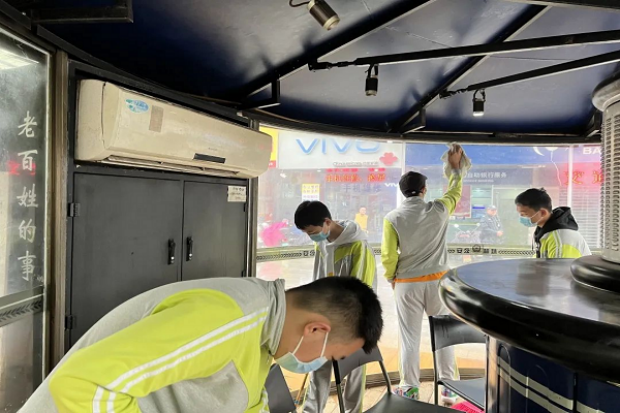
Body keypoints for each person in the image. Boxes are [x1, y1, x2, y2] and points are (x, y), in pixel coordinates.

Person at [19, 276, 383, 413]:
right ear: (316, 330)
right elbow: (84, 386)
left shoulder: (264, 336)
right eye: (330, 356)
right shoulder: (230, 317)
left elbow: (249, 405)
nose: (319, 364)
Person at [381, 145, 465, 405]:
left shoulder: (392, 218)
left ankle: (409, 388)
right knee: (444, 336)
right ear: (424, 190)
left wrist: (392, 278)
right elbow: (455, 192)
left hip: (407, 284)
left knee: (409, 339)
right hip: (439, 282)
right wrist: (455, 169)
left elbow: (389, 256)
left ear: (402, 192)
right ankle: (449, 389)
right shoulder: (439, 209)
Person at [294, 200, 377, 413]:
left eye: (312, 232)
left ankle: (352, 411)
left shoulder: (357, 246)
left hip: (355, 320)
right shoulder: (321, 243)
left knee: (354, 370)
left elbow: (361, 290)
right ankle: (311, 410)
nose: (311, 237)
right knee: (319, 365)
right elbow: (318, 280)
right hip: (325, 317)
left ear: (327, 222)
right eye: (307, 233)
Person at [515, 188, 591, 258]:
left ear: (543, 213)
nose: (521, 217)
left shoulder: (560, 239)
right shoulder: (544, 231)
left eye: (524, 214)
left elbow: (559, 268)